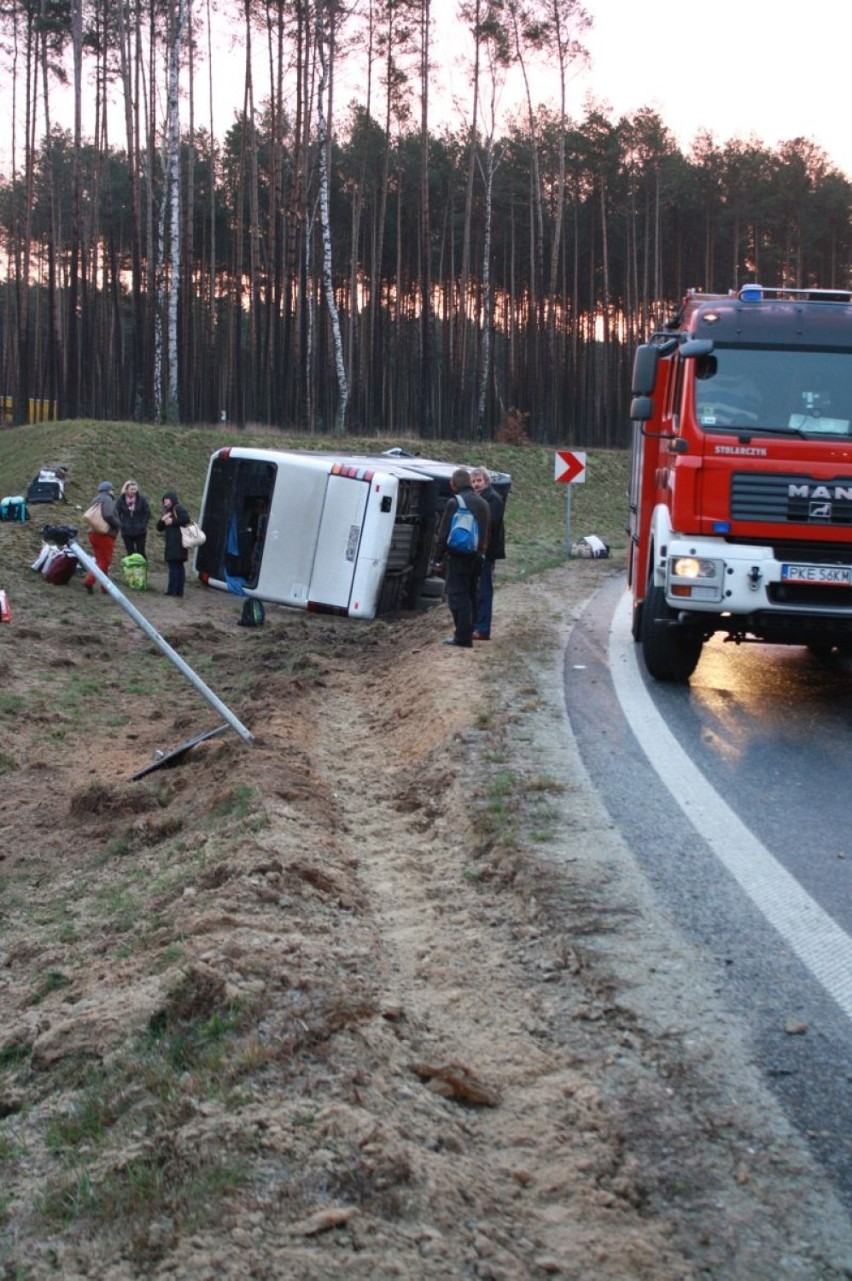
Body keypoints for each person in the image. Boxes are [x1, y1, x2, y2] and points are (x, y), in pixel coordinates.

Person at [433, 467, 490, 648]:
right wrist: (481, 553)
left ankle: (462, 637)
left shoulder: (454, 503)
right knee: (472, 593)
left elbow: (443, 534)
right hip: (476, 556)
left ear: (453, 484)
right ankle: (468, 632)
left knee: (458, 596)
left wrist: (437, 558)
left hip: (458, 556)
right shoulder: (483, 503)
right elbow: (486, 533)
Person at [470, 466, 505, 640]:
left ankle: (483, 629)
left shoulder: (494, 499)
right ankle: (475, 625)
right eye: (474, 481)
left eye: (479, 481)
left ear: (486, 481)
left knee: (484, 590)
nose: (476, 484)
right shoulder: (479, 499)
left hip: (486, 551)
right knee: (476, 591)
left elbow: (490, 524)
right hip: (477, 550)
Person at [83, 481, 120, 595]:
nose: (113, 492)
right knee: (105, 561)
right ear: (108, 490)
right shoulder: (107, 499)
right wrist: (118, 524)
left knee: (100, 561)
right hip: (103, 534)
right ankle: (89, 581)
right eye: (112, 489)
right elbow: (108, 515)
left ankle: (105, 587)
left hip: (93, 533)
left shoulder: (96, 499)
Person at [156, 490, 191, 597]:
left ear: (172, 500)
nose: (165, 503)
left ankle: (172, 591)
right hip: (173, 544)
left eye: (166, 500)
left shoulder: (178, 508)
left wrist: (172, 521)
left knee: (175, 567)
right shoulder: (168, 512)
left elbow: (186, 519)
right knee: (178, 567)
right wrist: (163, 520)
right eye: (164, 501)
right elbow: (159, 528)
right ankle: (178, 591)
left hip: (177, 543)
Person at [115, 479, 152, 559]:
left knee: (141, 552)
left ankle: (142, 569)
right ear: (126, 489)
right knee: (130, 552)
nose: (134, 491)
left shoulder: (141, 499)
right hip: (126, 531)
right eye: (131, 489)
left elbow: (147, 512)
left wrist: (143, 524)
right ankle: (132, 570)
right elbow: (116, 513)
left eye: (135, 489)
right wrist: (122, 524)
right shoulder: (121, 500)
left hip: (140, 531)